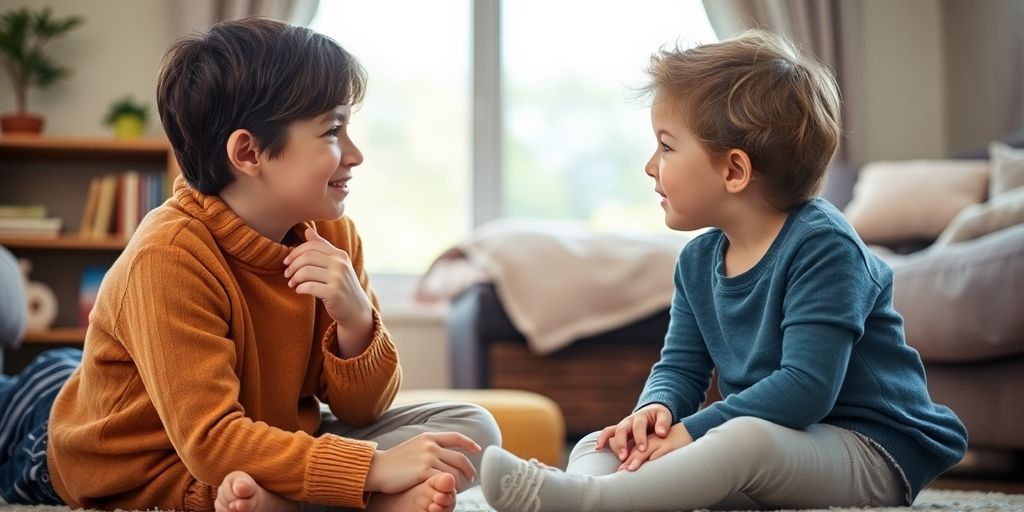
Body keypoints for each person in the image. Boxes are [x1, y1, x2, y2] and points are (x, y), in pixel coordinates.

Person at [0, 17, 500, 512]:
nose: (355, 154)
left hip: (264, 434)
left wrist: (356, 320)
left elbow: (363, 409)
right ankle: (346, 500)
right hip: (100, 441)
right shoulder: (168, 255)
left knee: (472, 429)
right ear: (249, 152)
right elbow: (213, 441)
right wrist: (375, 470)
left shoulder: (332, 234)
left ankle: (285, 498)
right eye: (333, 131)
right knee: (35, 406)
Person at [479, 29, 967, 511]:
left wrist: (691, 431)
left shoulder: (825, 246)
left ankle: (596, 501)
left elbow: (806, 389)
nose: (651, 166)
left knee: (743, 440)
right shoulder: (697, 260)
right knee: (602, 444)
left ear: (734, 171)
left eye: (667, 147)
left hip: (870, 451)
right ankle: (590, 490)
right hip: (779, 444)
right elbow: (679, 367)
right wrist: (656, 414)